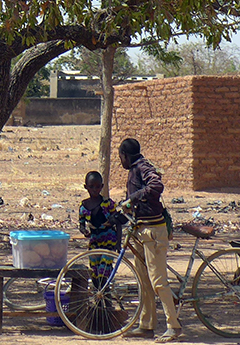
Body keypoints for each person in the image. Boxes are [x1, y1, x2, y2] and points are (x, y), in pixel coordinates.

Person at [118, 138, 180, 342]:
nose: (121, 161)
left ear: (125, 155)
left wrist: (134, 197)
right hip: (141, 230)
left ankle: (173, 325)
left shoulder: (143, 167)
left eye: (121, 157)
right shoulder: (135, 169)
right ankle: (146, 325)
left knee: (158, 281)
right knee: (143, 280)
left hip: (153, 232)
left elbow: (156, 186)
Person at [78, 170, 127, 285]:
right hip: (94, 241)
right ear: (86, 187)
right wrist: (84, 231)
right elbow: (81, 224)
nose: (94, 190)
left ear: (102, 187)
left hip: (109, 239)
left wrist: (118, 243)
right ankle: (99, 300)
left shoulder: (108, 203)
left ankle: (106, 299)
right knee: (94, 273)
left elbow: (118, 222)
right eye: (91, 187)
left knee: (103, 272)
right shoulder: (84, 205)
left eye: (97, 187)